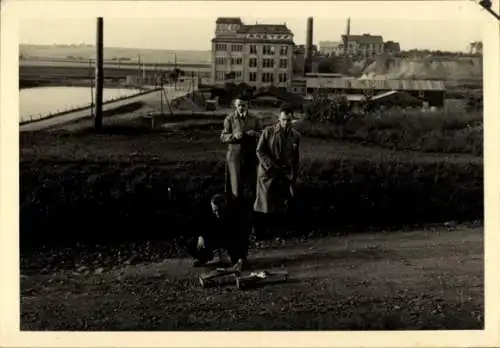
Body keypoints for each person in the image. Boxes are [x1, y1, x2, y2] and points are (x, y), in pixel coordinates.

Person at [253, 106, 301, 239]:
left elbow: (295, 158)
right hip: (267, 172)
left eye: (289, 120)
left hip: (283, 173)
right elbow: (260, 151)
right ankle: (260, 234)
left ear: (292, 120)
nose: (286, 123)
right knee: (264, 203)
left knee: (280, 203)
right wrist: (270, 164)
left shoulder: (295, 136)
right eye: (283, 120)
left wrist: (293, 176)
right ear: (279, 119)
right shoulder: (269, 132)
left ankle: (277, 233)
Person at [187, 193, 250, 268]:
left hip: (229, 237)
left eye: (220, 210)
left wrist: (241, 257)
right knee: (193, 242)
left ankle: (238, 258)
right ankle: (201, 257)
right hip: (213, 237)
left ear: (225, 206)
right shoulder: (204, 211)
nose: (217, 213)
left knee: (238, 255)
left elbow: (243, 235)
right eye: (215, 211)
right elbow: (196, 226)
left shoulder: (235, 212)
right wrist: (200, 236)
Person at [220, 98, 262, 205]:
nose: (241, 108)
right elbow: (223, 137)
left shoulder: (255, 118)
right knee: (236, 185)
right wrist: (234, 136)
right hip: (235, 157)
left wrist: (255, 134)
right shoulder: (229, 119)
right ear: (235, 105)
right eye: (239, 105)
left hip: (250, 155)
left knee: (252, 183)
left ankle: (252, 209)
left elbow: (262, 134)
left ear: (247, 105)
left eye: (243, 105)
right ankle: (236, 207)